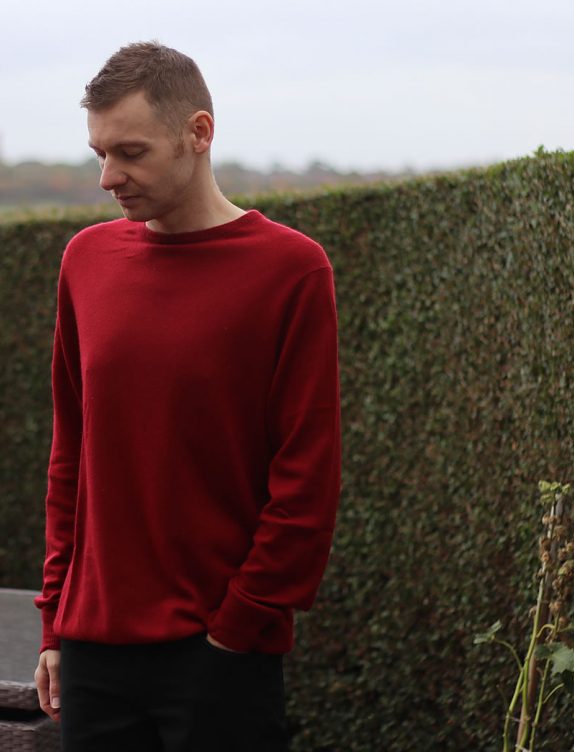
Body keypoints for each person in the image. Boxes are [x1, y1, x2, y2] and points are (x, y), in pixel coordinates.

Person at [33, 40, 342, 752]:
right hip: (93, 652)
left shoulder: (291, 271)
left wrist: (238, 626)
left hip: (219, 658)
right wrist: (55, 621)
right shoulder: (86, 261)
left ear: (198, 133)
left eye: (131, 152)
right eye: (99, 154)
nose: (109, 177)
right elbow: (70, 457)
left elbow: (306, 478)